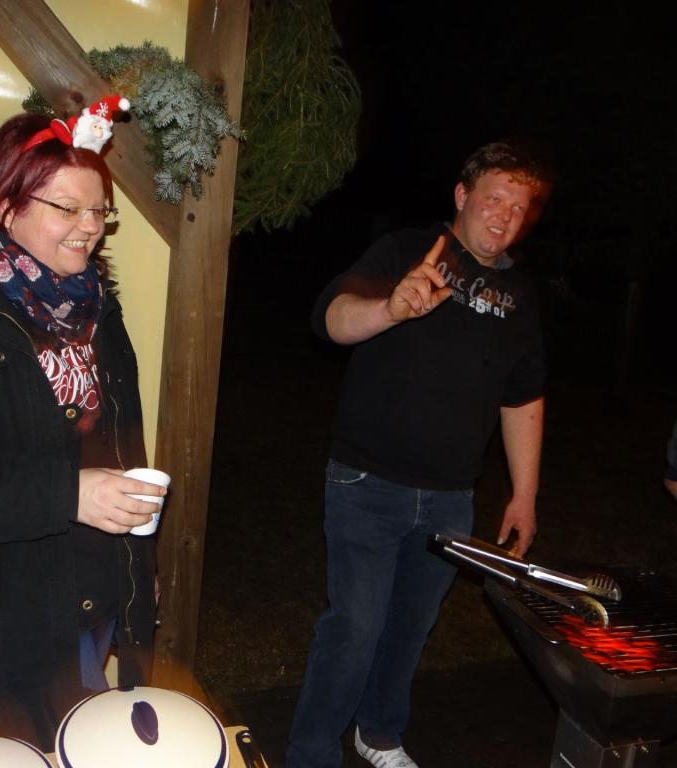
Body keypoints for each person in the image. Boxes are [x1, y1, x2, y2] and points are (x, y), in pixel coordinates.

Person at [0, 105, 166, 752]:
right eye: (68, 208)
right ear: (4, 207)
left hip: (85, 601)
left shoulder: (95, 305)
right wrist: (68, 494)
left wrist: (136, 571)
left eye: (100, 211)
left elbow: (118, 446)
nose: (91, 227)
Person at [287, 142, 552, 768]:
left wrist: (524, 494)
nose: (504, 216)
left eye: (518, 208)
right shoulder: (407, 251)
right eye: (493, 199)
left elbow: (523, 398)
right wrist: (390, 308)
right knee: (355, 628)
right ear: (462, 196)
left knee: (411, 626)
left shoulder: (521, 296)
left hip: (451, 497)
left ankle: (378, 733)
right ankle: (312, 753)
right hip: (367, 482)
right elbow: (331, 320)